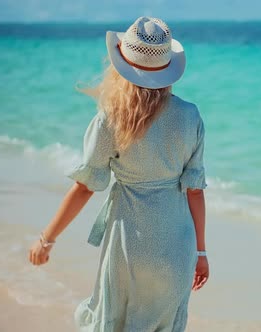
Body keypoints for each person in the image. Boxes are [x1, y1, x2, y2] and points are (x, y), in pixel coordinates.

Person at [27, 17, 209, 331]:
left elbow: (85, 187)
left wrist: (47, 239)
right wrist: (201, 252)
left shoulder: (112, 118)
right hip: (177, 246)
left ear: (122, 64)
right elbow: (195, 191)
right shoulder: (190, 115)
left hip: (129, 245)